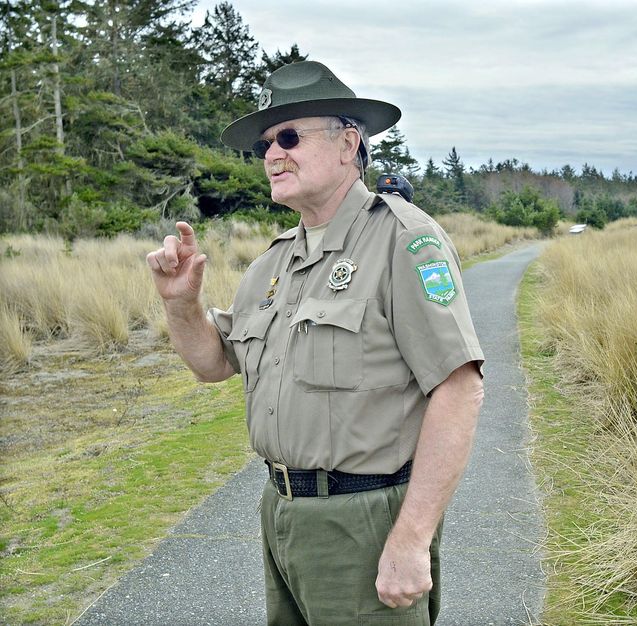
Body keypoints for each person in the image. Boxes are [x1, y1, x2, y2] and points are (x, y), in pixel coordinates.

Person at [145, 60, 484, 625]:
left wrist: (411, 538)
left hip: (366, 522)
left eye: (290, 136)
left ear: (349, 142)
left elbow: (459, 389)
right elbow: (212, 363)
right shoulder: (274, 262)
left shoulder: (403, 239)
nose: (273, 154)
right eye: (264, 146)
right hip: (281, 513)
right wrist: (180, 303)